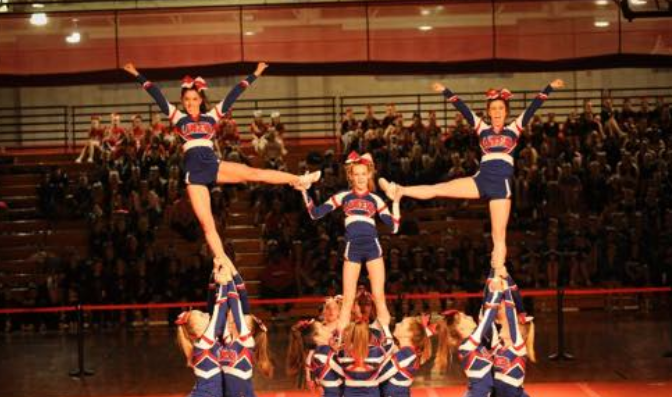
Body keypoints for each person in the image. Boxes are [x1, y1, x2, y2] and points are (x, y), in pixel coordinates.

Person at [122, 62, 320, 282]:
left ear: (201, 100)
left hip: (212, 163)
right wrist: (136, 74)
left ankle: (299, 180)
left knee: (251, 173)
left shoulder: (211, 117)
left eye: (194, 99)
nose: (190, 103)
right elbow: (155, 93)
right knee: (207, 223)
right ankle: (224, 262)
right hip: (194, 173)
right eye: (186, 100)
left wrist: (255, 73)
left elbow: (234, 94)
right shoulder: (178, 117)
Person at [379, 79, 565, 278]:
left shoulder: (514, 129)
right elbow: (464, 109)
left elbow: (533, 106)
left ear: (506, 111)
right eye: (493, 108)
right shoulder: (482, 128)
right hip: (481, 180)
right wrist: (445, 91)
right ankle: (399, 191)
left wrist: (549, 87)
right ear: (488, 111)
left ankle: (499, 273)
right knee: (439, 188)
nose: (497, 112)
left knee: (498, 235)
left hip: (500, 187)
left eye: (500, 108)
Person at [300, 152, 400, 330]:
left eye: (364, 174)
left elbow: (394, 227)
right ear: (350, 176)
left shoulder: (375, 199)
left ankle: (387, 338)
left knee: (379, 296)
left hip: (372, 247)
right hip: (352, 247)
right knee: (347, 299)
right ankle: (341, 342)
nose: (360, 178)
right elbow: (315, 213)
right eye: (357, 174)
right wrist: (304, 190)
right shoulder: (344, 196)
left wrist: (396, 202)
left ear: (369, 174)